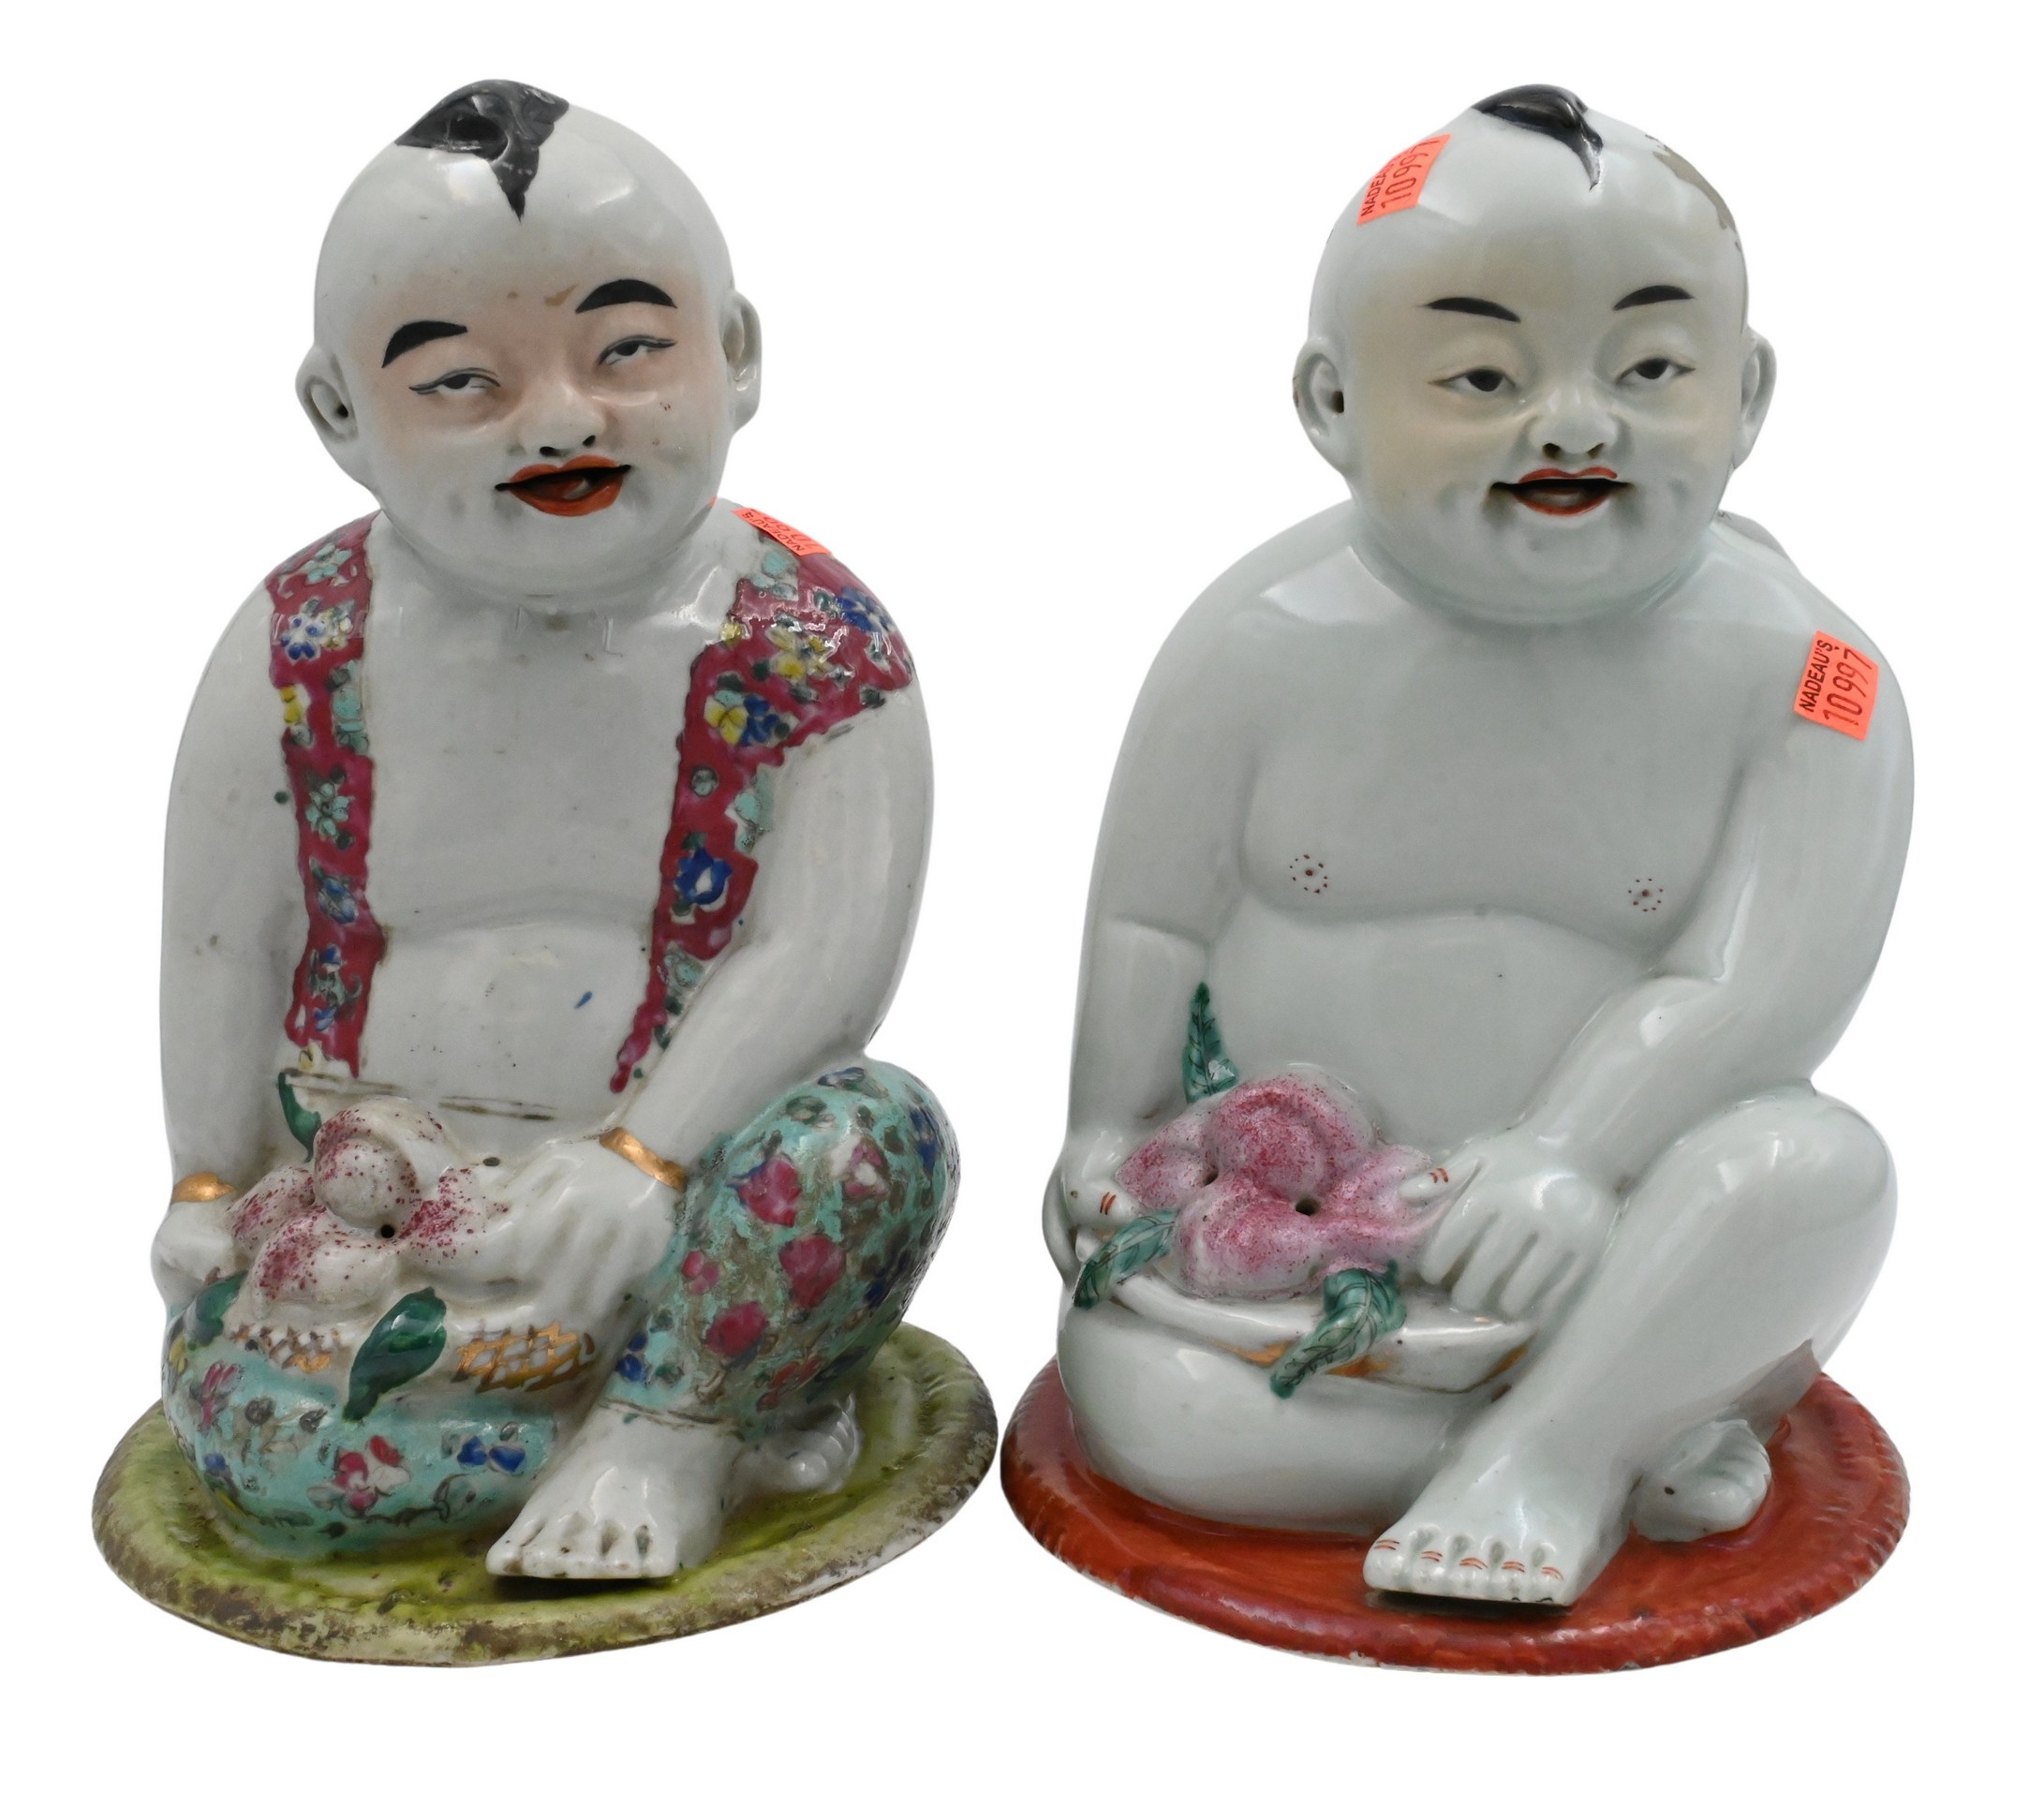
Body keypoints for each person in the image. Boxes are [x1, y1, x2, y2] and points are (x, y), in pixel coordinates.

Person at [1047, 87, 1907, 1606]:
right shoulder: (1256, 639)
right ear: (1329, 405)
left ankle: (1549, 1458)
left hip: (1622, 1231)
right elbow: (1151, 924)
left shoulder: (1808, 678)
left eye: (1649, 368)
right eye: (1480, 375)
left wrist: (1572, 1150)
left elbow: (1766, 986)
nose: (1572, 422)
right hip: (1281, 1252)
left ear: (1747, 395)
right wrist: (1104, 1134)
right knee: (1155, 1419)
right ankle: (1640, 1422)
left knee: (1814, 1170)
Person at [150, 81, 955, 1580]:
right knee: (291, 1465)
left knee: (868, 1144)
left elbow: (821, 951)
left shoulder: (809, 645)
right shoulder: (298, 641)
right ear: (339, 416)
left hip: (677, 1192)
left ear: (736, 355)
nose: (564, 419)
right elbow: (221, 942)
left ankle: (672, 1430)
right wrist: (207, 1183)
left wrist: (646, 1159)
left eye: (627, 351)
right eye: (463, 381)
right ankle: (652, 1411)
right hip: (368, 1189)